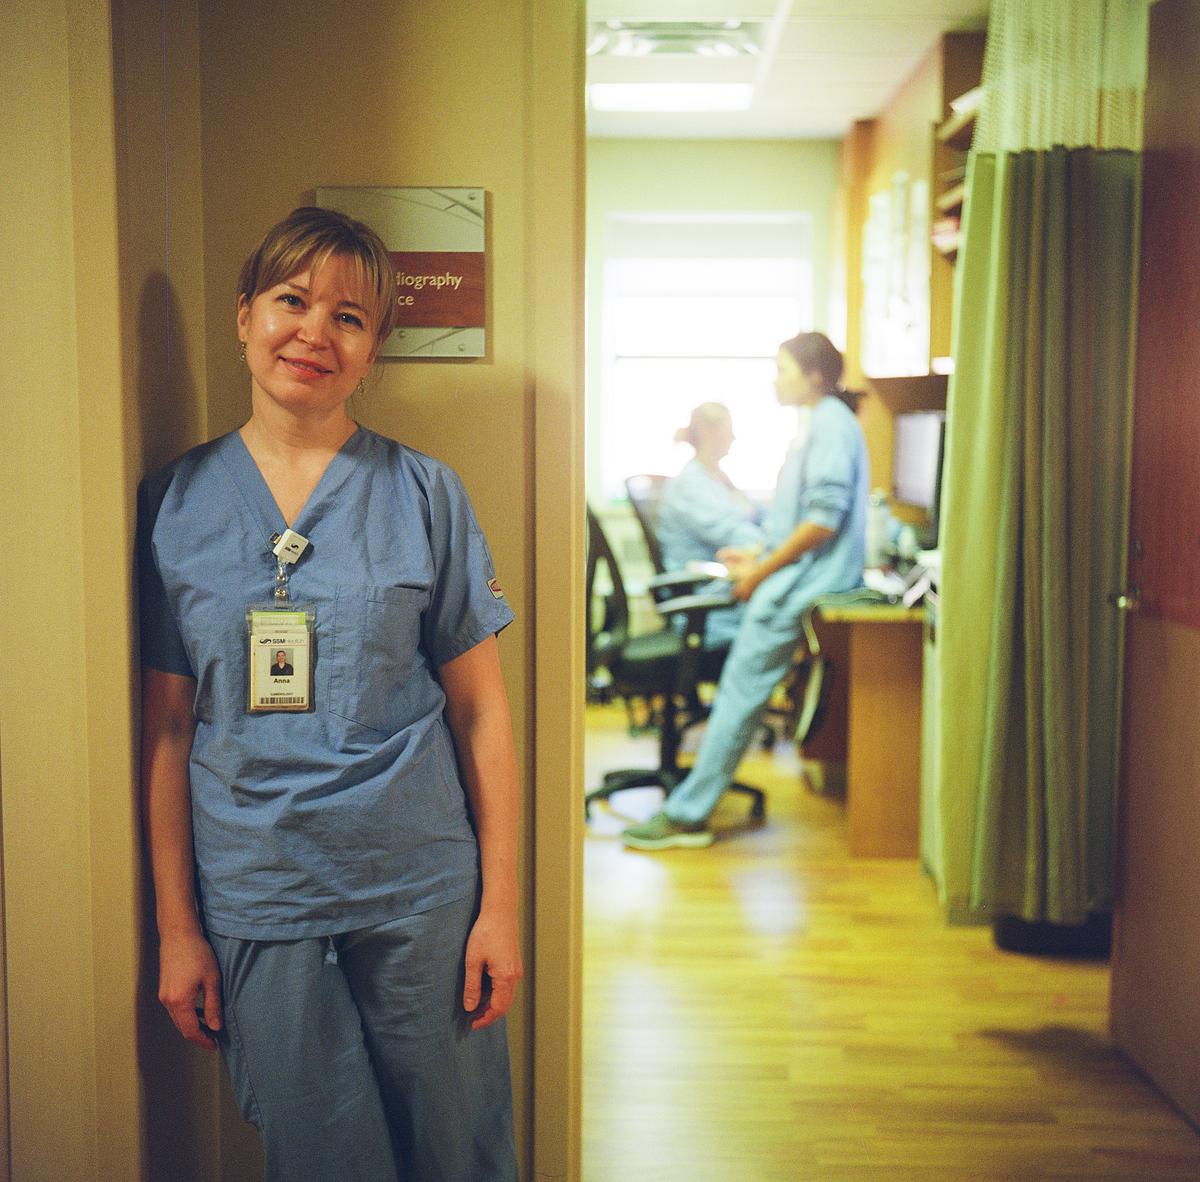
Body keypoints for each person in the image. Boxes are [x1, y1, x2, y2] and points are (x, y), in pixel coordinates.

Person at [138, 206, 520, 1181]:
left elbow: (481, 712)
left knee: (458, 1150)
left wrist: (502, 908)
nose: (314, 331)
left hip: (420, 889)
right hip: (260, 893)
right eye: (292, 300)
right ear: (243, 317)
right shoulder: (174, 504)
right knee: (320, 1158)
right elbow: (170, 730)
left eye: (349, 316)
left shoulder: (425, 492)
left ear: (374, 347)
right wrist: (178, 928)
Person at [622, 332, 867, 851]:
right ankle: (690, 807)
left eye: (783, 368)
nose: (776, 379)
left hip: (799, 584)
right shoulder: (823, 424)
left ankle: (687, 817)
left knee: (737, 697)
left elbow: (823, 520)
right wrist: (759, 559)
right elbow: (804, 521)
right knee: (740, 694)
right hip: (794, 577)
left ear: (815, 374)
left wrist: (759, 572)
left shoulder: (828, 425)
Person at [655, 402, 765, 647]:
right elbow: (729, 531)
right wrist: (774, 547)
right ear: (706, 430)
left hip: (722, 590)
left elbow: (756, 513)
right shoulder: (691, 484)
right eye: (729, 429)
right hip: (705, 602)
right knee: (780, 616)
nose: (734, 437)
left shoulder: (717, 478)